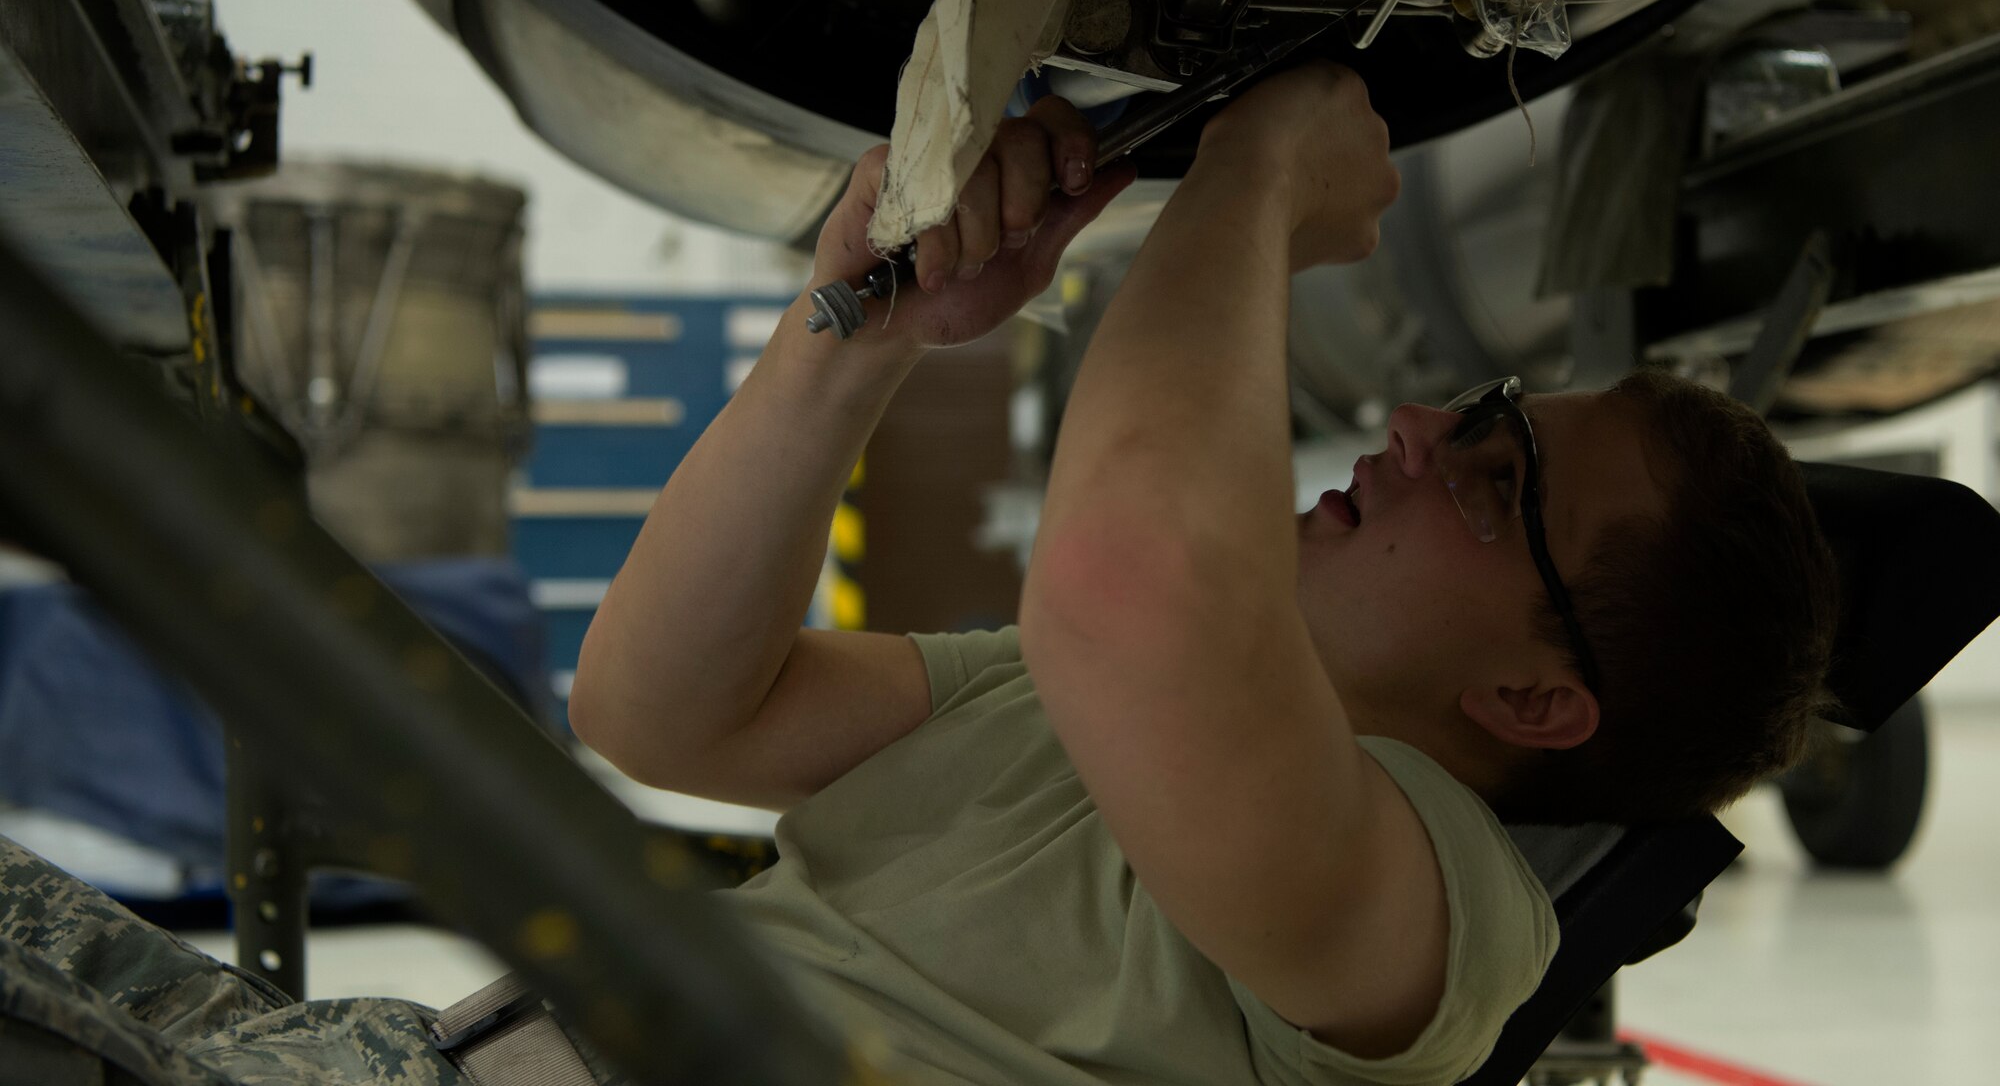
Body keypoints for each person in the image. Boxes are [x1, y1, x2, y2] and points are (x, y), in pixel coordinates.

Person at [0, 65, 1837, 1086]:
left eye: (1497, 472)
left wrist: (1257, 174)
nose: (1424, 421)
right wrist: (866, 324)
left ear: (1535, 697)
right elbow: (663, 707)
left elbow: (1130, 586)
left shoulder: (1433, 918)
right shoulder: (1078, 709)